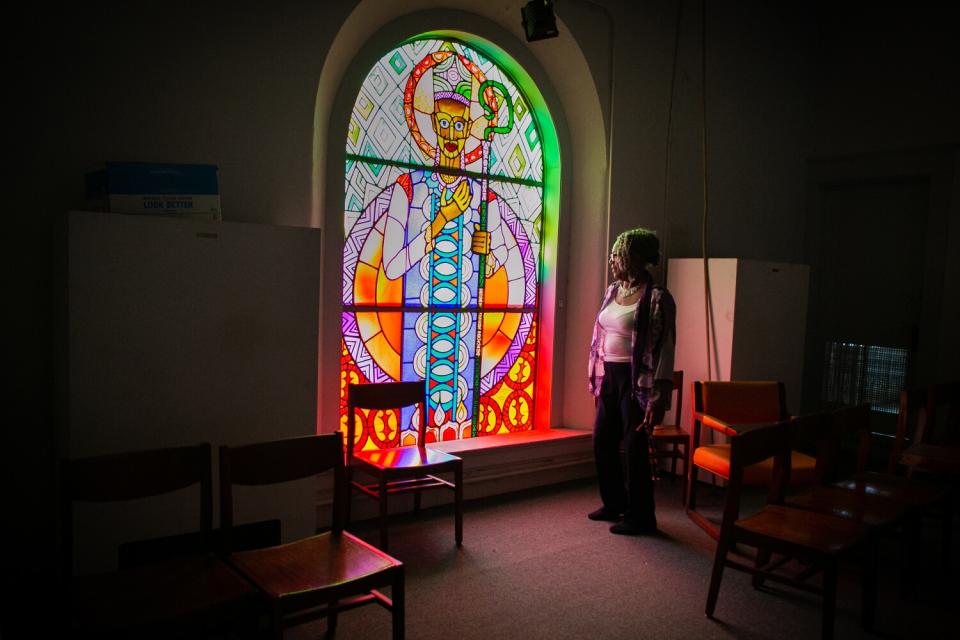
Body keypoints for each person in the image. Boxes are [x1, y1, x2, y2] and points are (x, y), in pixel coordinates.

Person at [587, 228, 676, 535]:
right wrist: (598, 377)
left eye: (616, 254)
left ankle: (641, 517)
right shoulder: (613, 291)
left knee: (635, 448)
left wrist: (659, 398)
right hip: (609, 376)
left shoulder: (658, 298)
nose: (612, 259)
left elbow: (666, 348)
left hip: (637, 381)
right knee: (602, 441)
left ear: (633, 257)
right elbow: (601, 335)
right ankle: (614, 504)